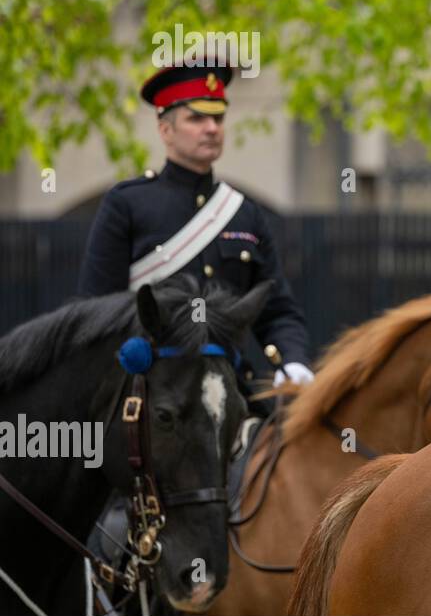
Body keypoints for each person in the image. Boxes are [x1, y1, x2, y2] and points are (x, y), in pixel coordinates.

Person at [77, 57, 314, 391]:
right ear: (165, 130)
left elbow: (277, 309)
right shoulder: (127, 204)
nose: (212, 128)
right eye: (196, 118)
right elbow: (94, 312)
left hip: (230, 387)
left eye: (218, 117)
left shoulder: (244, 212)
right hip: (154, 389)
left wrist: (292, 360)